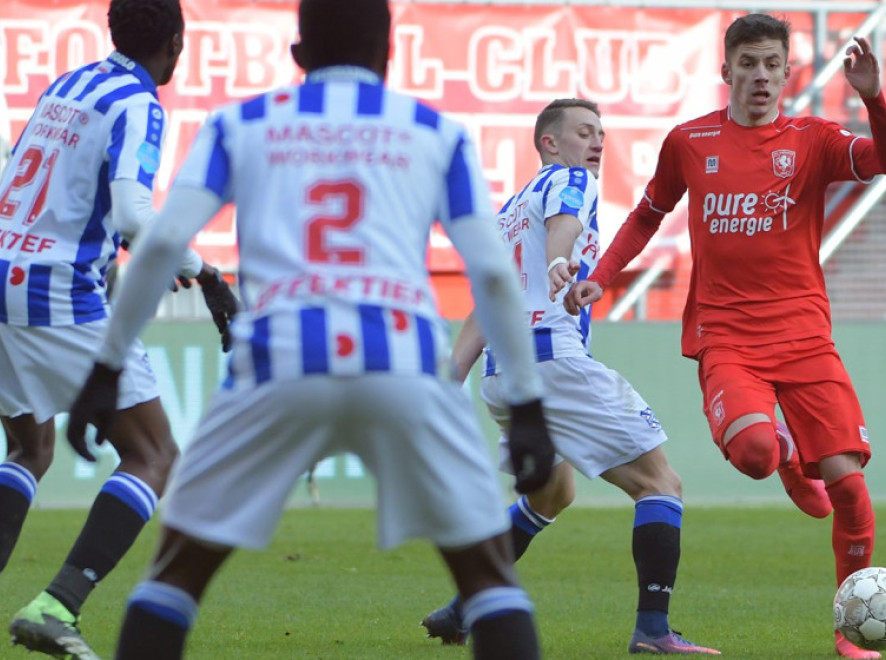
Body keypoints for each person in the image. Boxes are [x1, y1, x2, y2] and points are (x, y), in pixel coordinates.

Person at [62, 0, 558, 658]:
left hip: (277, 364)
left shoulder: (241, 125)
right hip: (404, 365)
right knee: (489, 579)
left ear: (298, 57)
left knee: (176, 574)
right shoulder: (435, 133)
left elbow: (157, 248)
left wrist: (105, 368)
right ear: (390, 58)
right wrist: (526, 402)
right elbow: (494, 274)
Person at [565, 13, 886, 659]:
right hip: (727, 337)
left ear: (787, 72)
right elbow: (647, 214)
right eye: (747, 63)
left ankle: (848, 629)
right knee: (751, 454)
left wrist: (874, 98)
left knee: (850, 489)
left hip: (805, 336)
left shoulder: (813, 138)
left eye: (772, 64)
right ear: (726, 71)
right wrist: (600, 277)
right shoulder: (690, 141)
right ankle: (781, 453)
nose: (760, 76)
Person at [419, 98, 719, 655]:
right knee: (661, 484)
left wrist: (449, 378)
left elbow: (489, 295)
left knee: (554, 493)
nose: (597, 143)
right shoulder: (568, 179)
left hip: (504, 374)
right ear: (549, 143)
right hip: (551, 360)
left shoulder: (509, 210)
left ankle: (465, 606)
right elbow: (567, 225)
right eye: (584, 132)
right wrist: (561, 259)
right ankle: (653, 630)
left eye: (601, 133)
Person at [0, 1, 236, 657]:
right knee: (154, 455)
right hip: (55, 289)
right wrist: (206, 272)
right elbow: (133, 214)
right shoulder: (138, 103)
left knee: (31, 449)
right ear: (175, 43)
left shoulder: (67, 85)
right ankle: (56, 604)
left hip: (2, 276)